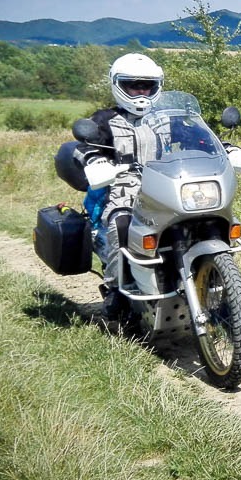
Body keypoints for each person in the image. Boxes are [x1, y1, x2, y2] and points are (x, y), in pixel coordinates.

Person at [77, 52, 165, 318]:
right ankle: (116, 288)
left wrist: (224, 149)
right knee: (120, 223)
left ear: (156, 87)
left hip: (165, 185)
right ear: (119, 86)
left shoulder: (165, 118)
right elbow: (85, 148)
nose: (140, 90)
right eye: (133, 85)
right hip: (123, 189)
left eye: (146, 85)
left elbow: (197, 139)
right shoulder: (104, 119)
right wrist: (94, 160)